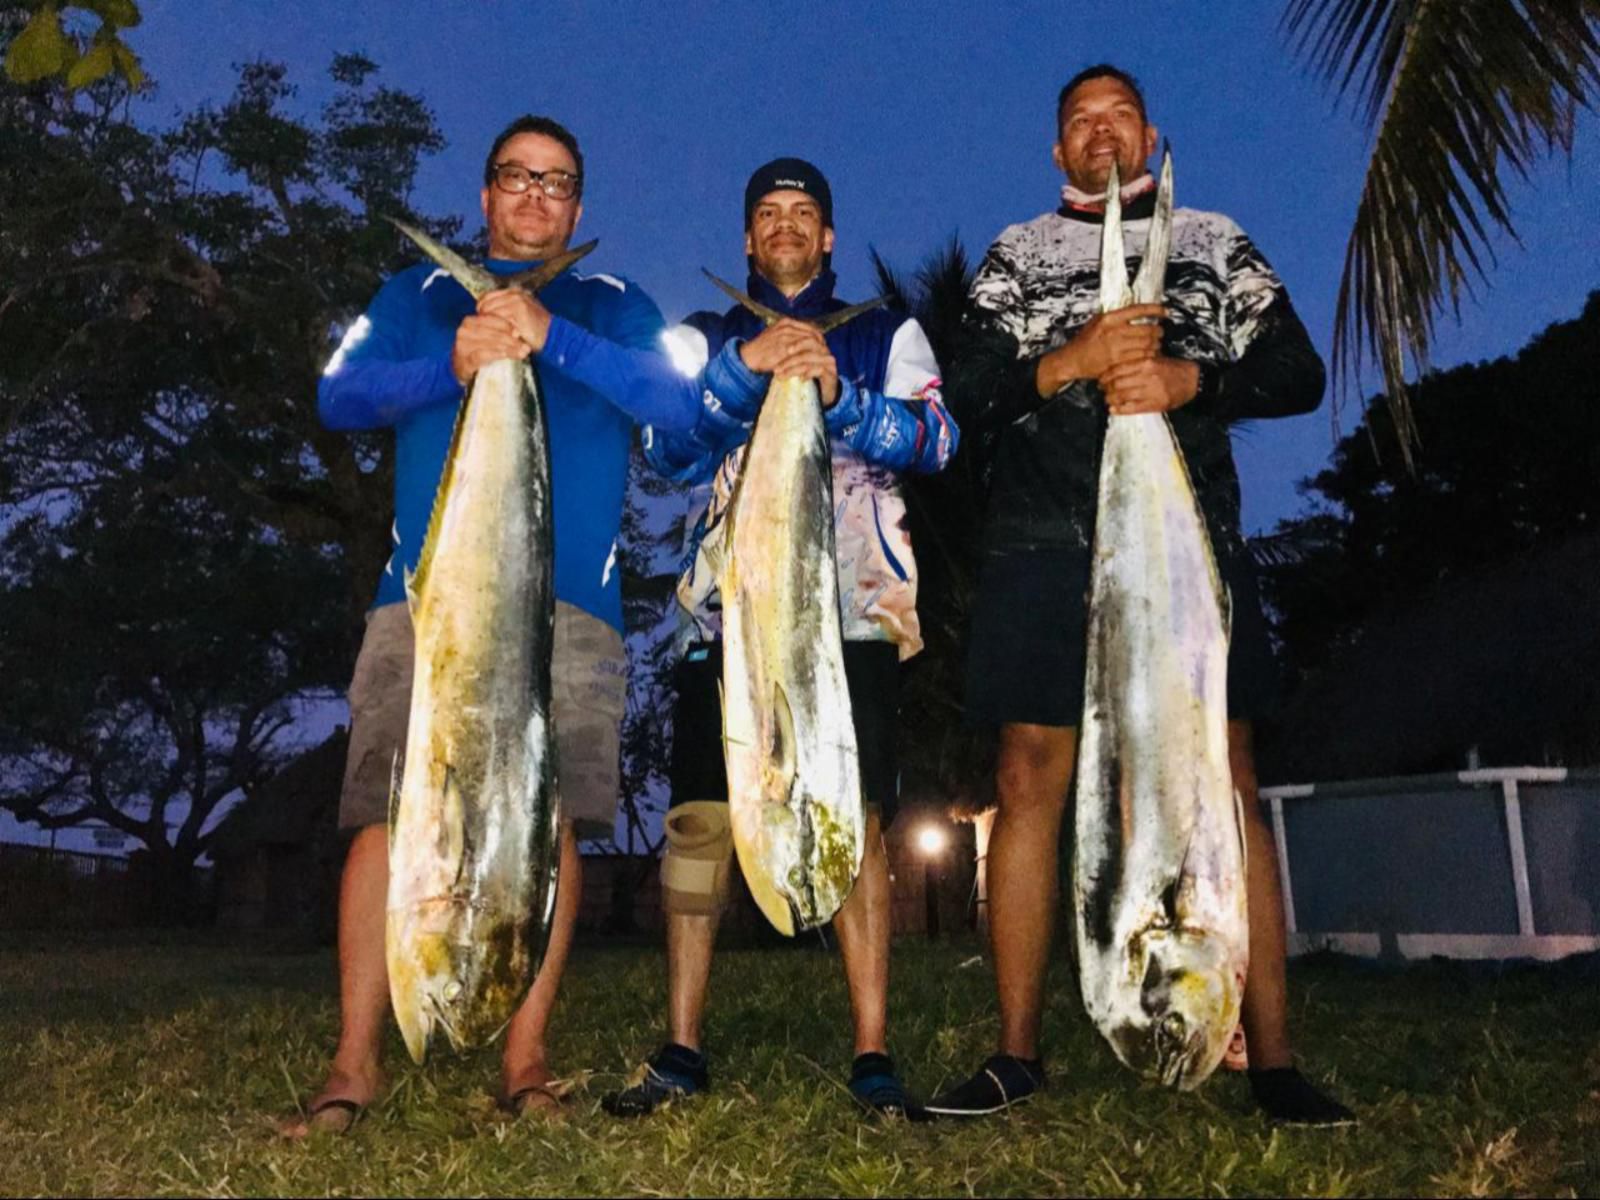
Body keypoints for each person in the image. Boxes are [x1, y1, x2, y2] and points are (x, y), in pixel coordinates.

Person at [931, 65, 1354, 1126]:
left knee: (1226, 773)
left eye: (1116, 114)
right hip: (1043, 540)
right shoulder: (1019, 252)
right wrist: (1070, 359)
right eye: (1077, 120)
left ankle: (1272, 1059)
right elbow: (964, 389)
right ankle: (1016, 1054)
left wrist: (1189, 380)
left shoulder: (1212, 239)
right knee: (1029, 777)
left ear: (1150, 131)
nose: (1098, 130)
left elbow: (1298, 370)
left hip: (1184, 544)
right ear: (1057, 151)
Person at [513, 156, 957, 1118]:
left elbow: (938, 440)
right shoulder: (706, 331)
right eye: (769, 213)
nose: (787, 226)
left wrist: (838, 395)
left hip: (857, 609)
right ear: (747, 239)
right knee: (699, 823)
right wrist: (740, 371)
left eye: (804, 212)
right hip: (725, 615)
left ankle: (872, 1051)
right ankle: (681, 1049)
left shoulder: (887, 329)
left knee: (861, 817)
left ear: (829, 235)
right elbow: (665, 450)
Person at [283, 113, 701, 1135]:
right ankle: (351, 1068)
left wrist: (550, 337)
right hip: (425, 604)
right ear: (484, 195)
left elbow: (675, 408)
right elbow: (340, 396)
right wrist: (454, 363)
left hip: (573, 610)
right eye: (515, 177)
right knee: (386, 812)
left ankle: (526, 1063)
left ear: (578, 205)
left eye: (556, 181)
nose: (534, 195)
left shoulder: (613, 301)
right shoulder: (419, 293)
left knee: (547, 828)